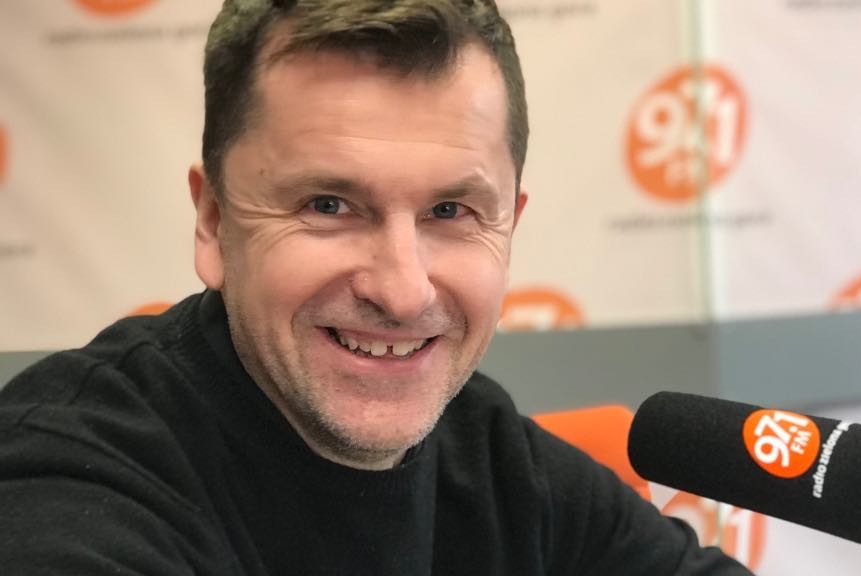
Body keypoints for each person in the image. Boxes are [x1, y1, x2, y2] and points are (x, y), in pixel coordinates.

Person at [0, 1, 753, 574]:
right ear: (213, 222)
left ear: (509, 226)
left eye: (450, 212)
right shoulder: (69, 487)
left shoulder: (498, 460)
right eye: (329, 205)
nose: (402, 291)